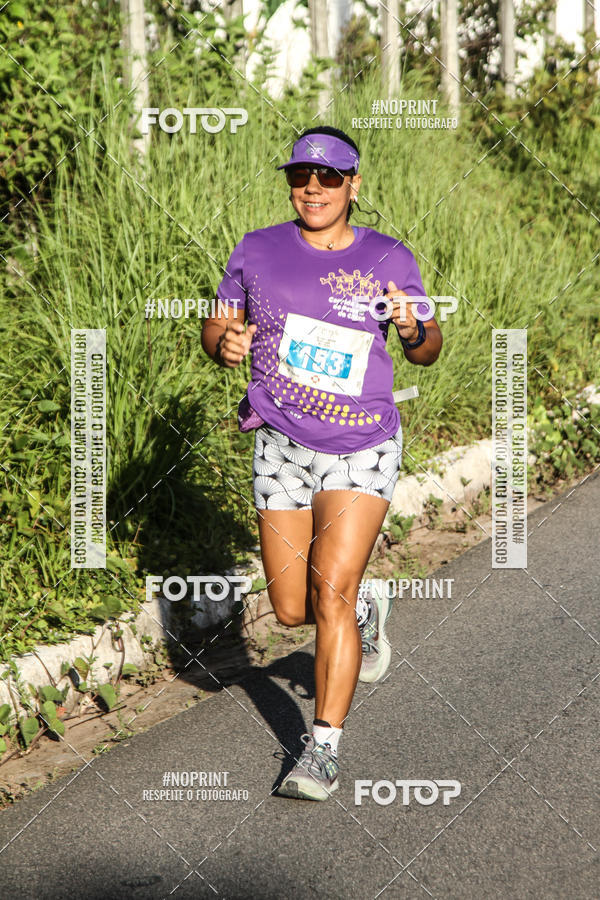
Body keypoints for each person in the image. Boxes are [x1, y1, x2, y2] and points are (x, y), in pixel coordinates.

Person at [201, 126, 442, 801]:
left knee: (328, 589)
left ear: (353, 186)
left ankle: (322, 750)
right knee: (288, 608)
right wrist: (223, 342)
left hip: (361, 443)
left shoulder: (388, 256)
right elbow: (217, 323)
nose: (313, 186)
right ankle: (367, 607)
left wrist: (414, 325)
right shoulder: (257, 249)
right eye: (302, 175)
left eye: (329, 176)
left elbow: (428, 349)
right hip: (279, 440)